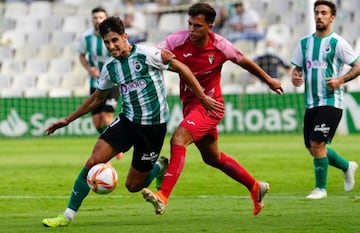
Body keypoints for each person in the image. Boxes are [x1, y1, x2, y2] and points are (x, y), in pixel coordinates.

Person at [41, 16, 223, 227]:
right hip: (127, 121)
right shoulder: (110, 68)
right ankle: (67, 216)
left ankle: (158, 167)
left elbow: (183, 68)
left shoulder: (148, 54)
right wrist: (67, 120)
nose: (111, 46)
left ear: (124, 36)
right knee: (92, 162)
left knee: (133, 185)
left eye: (114, 40)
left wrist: (202, 97)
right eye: (106, 42)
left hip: (153, 127)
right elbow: (97, 99)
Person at [141, 2, 283, 216]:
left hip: (211, 105)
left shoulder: (221, 45)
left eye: (197, 26)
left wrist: (269, 80)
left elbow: (244, 61)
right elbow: (154, 54)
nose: (191, 30)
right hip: (191, 105)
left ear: (210, 26)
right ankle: (255, 187)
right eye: (190, 24)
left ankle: (162, 197)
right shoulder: (175, 40)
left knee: (178, 140)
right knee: (212, 158)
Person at [290, 0, 360, 199]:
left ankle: (320, 189)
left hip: (331, 101)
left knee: (316, 143)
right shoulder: (305, 43)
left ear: (332, 17)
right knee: (313, 148)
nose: (319, 16)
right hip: (311, 103)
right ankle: (347, 166)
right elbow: (297, 71)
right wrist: (295, 77)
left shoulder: (337, 43)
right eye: (317, 13)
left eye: (323, 13)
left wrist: (341, 80)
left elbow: (357, 66)